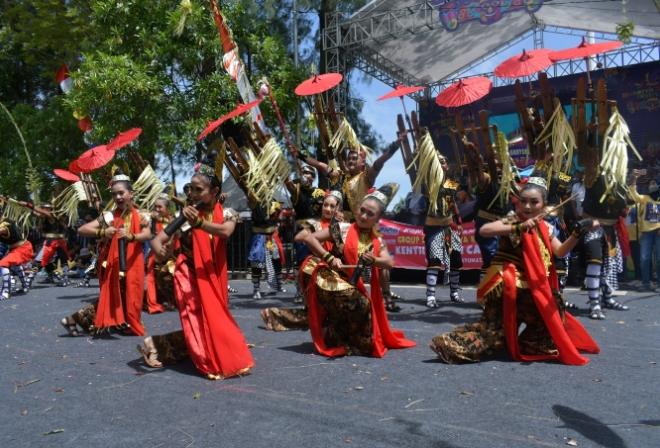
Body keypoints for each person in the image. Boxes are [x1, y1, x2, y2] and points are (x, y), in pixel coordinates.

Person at [430, 178, 600, 365]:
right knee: (493, 337)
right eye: (523, 201)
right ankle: (451, 345)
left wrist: (577, 234)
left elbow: (560, 251)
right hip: (507, 287)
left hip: (529, 288)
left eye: (534, 202)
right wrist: (518, 227)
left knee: (552, 309)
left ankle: (530, 345)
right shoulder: (514, 219)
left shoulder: (546, 227)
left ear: (544, 206)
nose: (527, 206)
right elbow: (486, 230)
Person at [138, 157, 254, 380]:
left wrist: (199, 223)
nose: (192, 193)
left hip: (214, 274)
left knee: (212, 321)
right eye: (190, 189)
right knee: (195, 318)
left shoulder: (227, 213)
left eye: (198, 189)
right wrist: (159, 250)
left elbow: (225, 231)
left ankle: (155, 345)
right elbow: (157, 239)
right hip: (187, 274)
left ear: (214, 191)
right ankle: (208, 360)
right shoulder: (186, 214)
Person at [298, 183, 416, 357]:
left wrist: (374, 260)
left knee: (362, 305)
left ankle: (341, 338)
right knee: (355, 299)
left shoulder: (376, 240)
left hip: (348, 284)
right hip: (327, 275)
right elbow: (309, 238)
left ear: (377, 219)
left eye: (370, 214)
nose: (363, 215)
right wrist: (330, 258)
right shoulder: (343, 228)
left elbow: (389, 262)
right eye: (362, 210)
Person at [62, 170, 151, 336]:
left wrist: (131, 236)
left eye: (121, 193)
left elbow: (147, 235)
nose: (117, 197)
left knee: (128, 296)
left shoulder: (142, 214)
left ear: (131, 194)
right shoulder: (108, 216)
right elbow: (82, 229)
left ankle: (78, 320)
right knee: (112, 297)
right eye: (114, 194)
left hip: (133, 262)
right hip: (113, 263)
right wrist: (103, 232)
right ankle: (75, 319)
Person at [260, 190, 343, 331]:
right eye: (325, 205)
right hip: (316, 269)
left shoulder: (342, 225)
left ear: (338, 209)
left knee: (321, 315)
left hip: (335, 269)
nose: (328, 209)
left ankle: (274, 315)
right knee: (322, 314)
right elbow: (299, 237)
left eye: (332, 206)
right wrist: (324, 236)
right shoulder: (314, 224)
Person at [423, 153, 464, 307]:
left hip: (449, 227)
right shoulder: (428, 182)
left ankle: (454, 293)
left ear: (447, 166)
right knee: (434, 260)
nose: (441, 164)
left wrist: (459, 221)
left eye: (444, 162)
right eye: (438, 162)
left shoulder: (451, 183)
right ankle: (431, 297)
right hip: (433, 228)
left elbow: (452, 202)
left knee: (456, 259)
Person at [629, 169, 660, 292]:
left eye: (654, 183)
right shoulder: (645, 198)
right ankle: (646, 283)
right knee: (644, 258)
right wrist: (634, 178)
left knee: (659, 258)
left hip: (658, 232)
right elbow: (633, 193)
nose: (652, 185)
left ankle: (658, 283)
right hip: (646, 233)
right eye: (650, 184)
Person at [144, 195, 175, 313]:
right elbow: (151, 237)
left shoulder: (174, 220)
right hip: (155, 253)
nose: (156, 209)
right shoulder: (151, 220)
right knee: (150, 276)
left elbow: (173, 239)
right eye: (155, 206)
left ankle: (173, 301)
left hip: (171, 253)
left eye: (159, 207)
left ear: (167, 208)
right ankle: (153, 304)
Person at [0, 219, 34, 300]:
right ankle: (25, 286)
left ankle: (5, 292)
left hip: (22, 248)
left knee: (2, 264)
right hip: (15, 249)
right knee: (15, 265)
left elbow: (2, 230)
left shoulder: (5, 224)